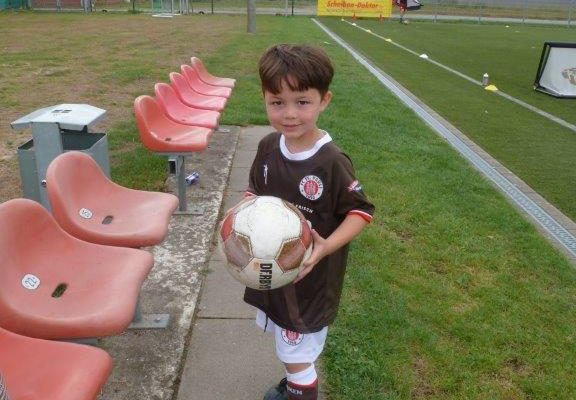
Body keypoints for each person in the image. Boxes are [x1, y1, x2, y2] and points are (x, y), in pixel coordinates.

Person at [244, 44, 375, 400]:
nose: (289, 114)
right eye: (277, 102)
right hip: (271, 274)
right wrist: (241, 221)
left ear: (324, 101)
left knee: (297, 354)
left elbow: (360, 212)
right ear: (265, 99)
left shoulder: (331, 161)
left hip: (309, 283)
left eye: (302, 102)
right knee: (287, 348)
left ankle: (300, 387)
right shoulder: (269, 146)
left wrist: (326, 247)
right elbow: (255, 192)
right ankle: (294, 383)